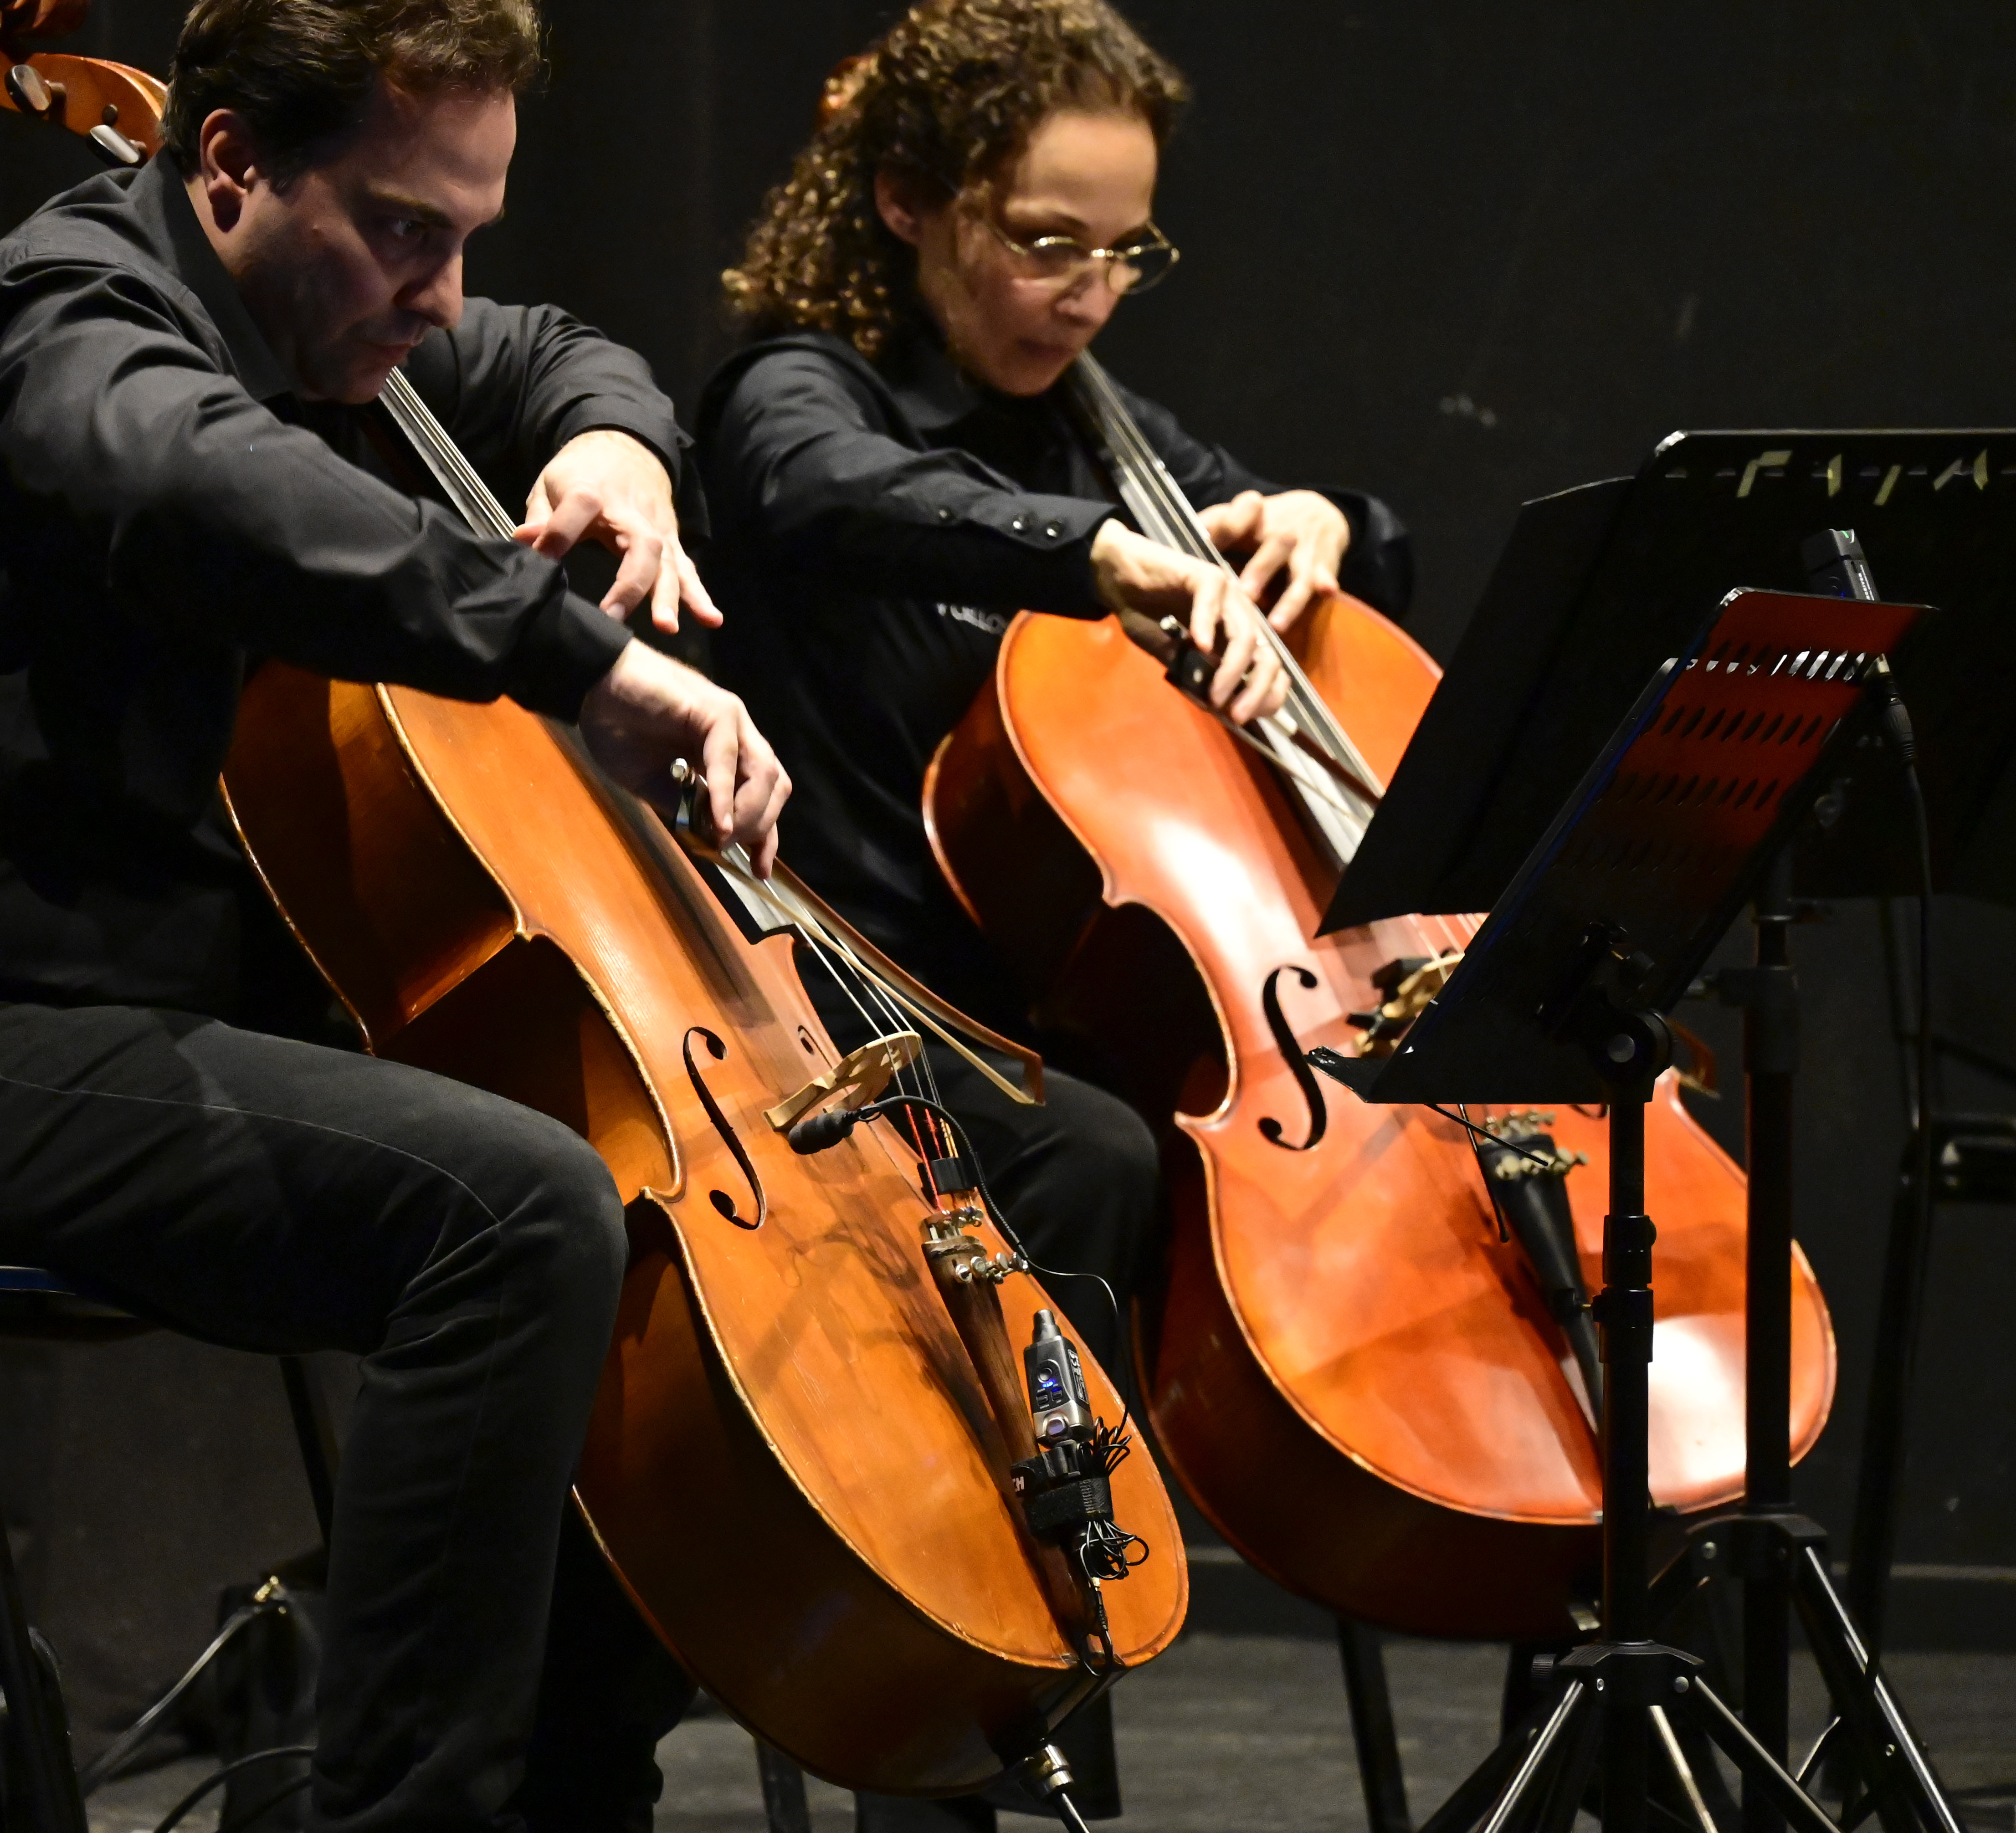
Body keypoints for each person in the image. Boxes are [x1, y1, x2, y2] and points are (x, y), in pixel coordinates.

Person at [0, 4, 785, 1831]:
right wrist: (576, 659)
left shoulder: (327, 316)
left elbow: (555, 351)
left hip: (128, 1036)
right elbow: (196, 481)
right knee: (516, 1211)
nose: (443, 297)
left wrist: (620, 447)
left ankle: (549, 1784)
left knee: (638, 1211)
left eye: (468, 234)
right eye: (404, 230)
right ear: (228, 163)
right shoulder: (65, 312)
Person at [697, 1, 1410, 1823]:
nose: (1088, 295)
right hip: (840, 994)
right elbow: (830, 493)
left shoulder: (1099, 426)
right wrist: (1085, 555)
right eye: (1044, 243)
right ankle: (972, 1731)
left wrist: (1322, 521)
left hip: (1049, 1006)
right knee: (1089, 1160)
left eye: (1126, 253)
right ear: (908, 200)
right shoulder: (805, 391)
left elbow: (1296, 537)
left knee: (1132, 1143)